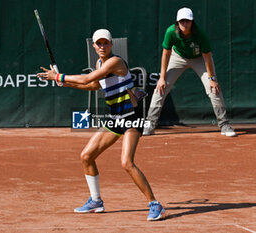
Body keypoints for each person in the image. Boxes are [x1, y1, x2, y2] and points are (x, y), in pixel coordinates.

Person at [37, 29, 166, 221]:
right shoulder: (99, 63)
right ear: (94, 45)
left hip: (131, 116)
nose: (102, 46)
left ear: (111, 44)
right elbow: (93, 86)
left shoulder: (115, 62)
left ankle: (155, 204)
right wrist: (66, 84)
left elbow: (88, 78)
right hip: (115, 117)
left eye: (106, 43)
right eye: (99, 43)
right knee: (87, 156)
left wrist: (59, 77)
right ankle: (96, 202)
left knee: (126, 163)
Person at [143, 7, 236, 137]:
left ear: (192, 22)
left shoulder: (200, 34)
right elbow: (165, 54)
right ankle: (150, 125)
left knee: (213, 89)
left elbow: (207, 57)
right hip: (177, 57)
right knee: (160, 88)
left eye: (187, 21)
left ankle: (224, 125)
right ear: (177, 22)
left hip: (200, 59)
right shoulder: (170, 32)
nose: (185, 24)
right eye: (182, 21)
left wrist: (212, 78)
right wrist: (162, 77)